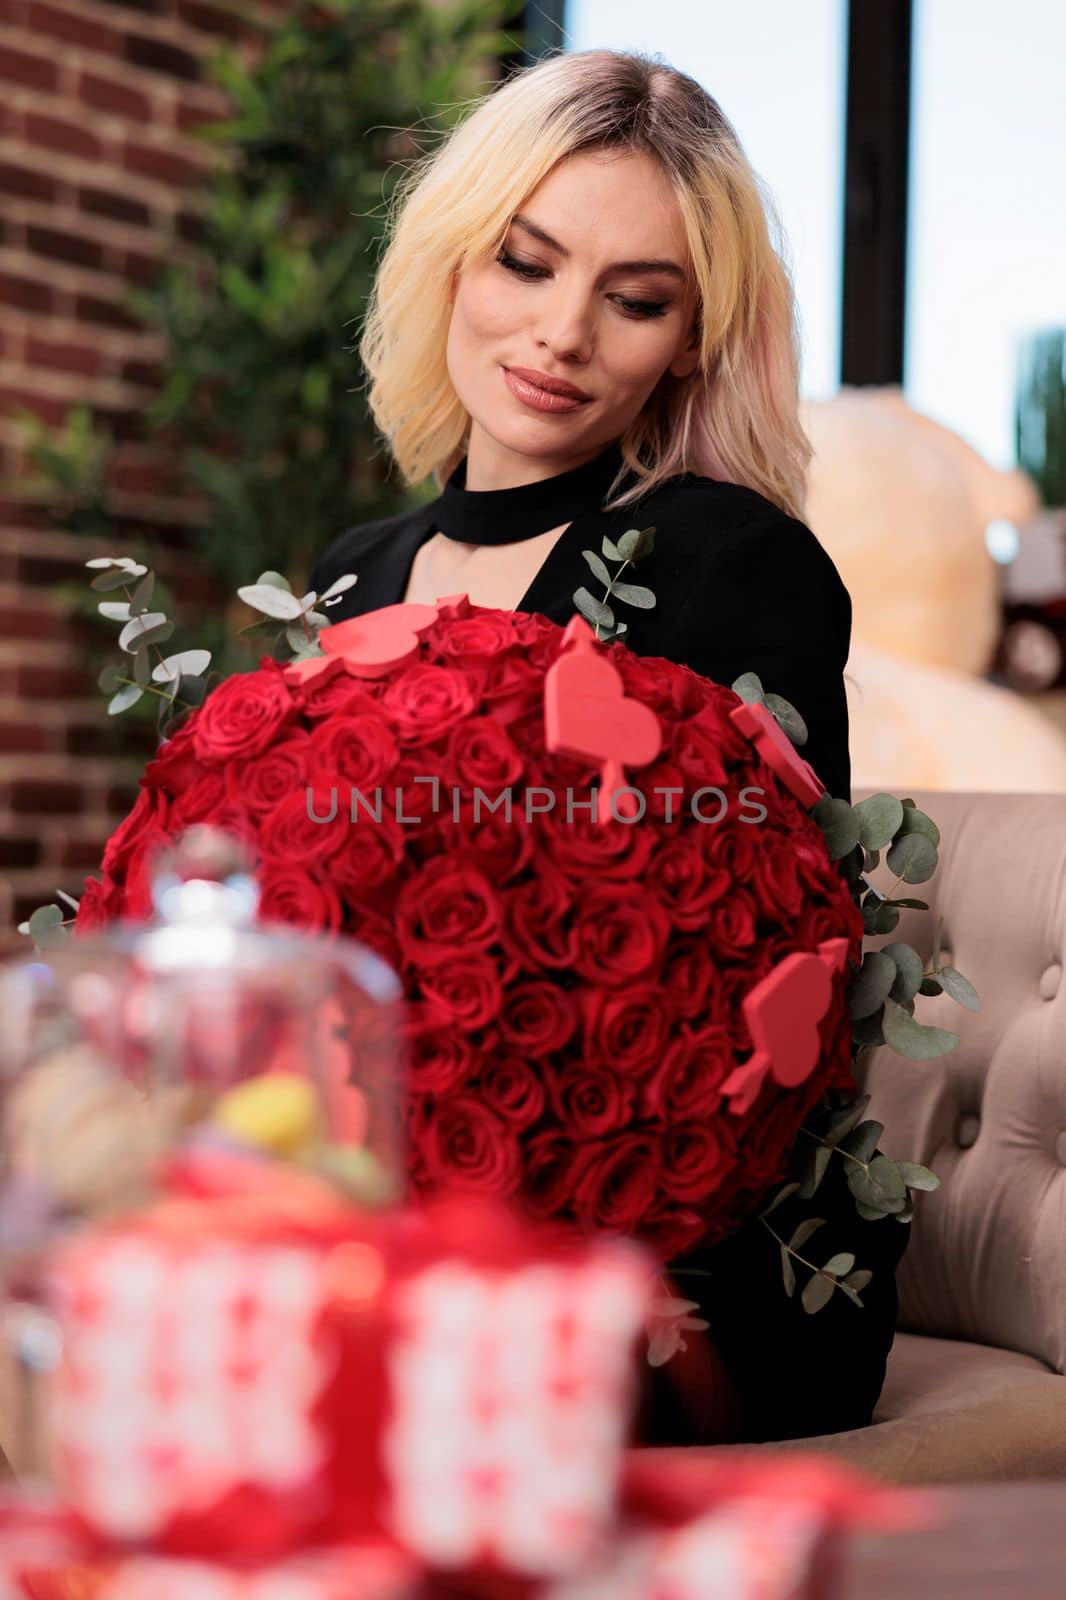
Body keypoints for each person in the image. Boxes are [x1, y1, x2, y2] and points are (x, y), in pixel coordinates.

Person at [309, 47, 909, 1446]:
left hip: (675, 1251)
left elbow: (753, 972)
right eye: (525, 264)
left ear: (690, 341)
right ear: (454, 263)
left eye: (634, 299)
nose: (562, 333)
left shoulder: (731, 563)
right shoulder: (348, 579)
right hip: (398, 1217)